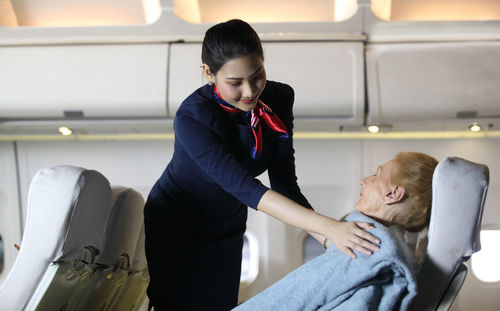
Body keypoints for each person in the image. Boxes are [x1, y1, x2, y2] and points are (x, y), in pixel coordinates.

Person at [143, 19, 379, 311]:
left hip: (227, 225)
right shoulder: (192, 119)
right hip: (178, 224)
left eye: (257, 76)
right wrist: (332, 228)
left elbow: (285, 185)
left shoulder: (279, 99)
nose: (250, 91)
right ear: (208, 73)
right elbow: (247, 189)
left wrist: (330, 240)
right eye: (234, 83)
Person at [233, 152, 439, 311]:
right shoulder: (397, 250)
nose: (364, 180)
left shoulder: (366, 244)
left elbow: (289, 299)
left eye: (376, 175)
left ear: (394, 194)